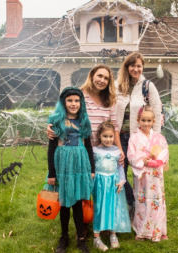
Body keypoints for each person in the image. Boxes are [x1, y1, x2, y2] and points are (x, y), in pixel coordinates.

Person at [46, 86, 95, 253]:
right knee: (65, 203)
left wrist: (92, 169)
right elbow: (51, 148)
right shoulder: (56, 120)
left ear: (81, 102)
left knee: (78, 203)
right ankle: (64, 236)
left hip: (80, 166)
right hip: (63, 165)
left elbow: (88, 147)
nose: (73, 104)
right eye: (70, 100)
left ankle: (81, 238)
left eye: (76, 100)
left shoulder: (84, 121)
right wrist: (52, 172)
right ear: (63, 102)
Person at [115, 52, 162, 219]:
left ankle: (141, 209)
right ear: (127, 67)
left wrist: (154, 141)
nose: (135, 69)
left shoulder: (147, 87)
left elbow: (156, 112)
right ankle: (130, 203)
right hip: (118, 137)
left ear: (142, 67)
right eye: (132, 65)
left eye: (139, 66)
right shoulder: (118, 86)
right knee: (120, 172)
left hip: (139, 139)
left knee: (139, 174)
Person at [127, 105, 169, 242]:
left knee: (156, 200)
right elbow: (131, 155)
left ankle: (158, 230)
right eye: (143, 120)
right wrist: (141, 160)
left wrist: (154, 162)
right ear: (138, 120)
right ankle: (142, 230)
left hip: (155, 174)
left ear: (153, 122)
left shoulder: (159, 138)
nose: (146, 123)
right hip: (142, 175)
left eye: (148, 121)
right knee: (142, 200)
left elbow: (164, 154)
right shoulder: (134, 138)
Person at [92, 121, 131, 251]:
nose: (108, 140)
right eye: (105, 136)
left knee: (112, 208)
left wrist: (122, 180)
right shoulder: (95, 150)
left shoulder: (116, 151)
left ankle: (113, 235)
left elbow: (120, 167)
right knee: (99, 208)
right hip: (100, 184)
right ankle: (96, 237)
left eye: (110, 136)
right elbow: (91, 168)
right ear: (99, 136)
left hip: (113, 183)